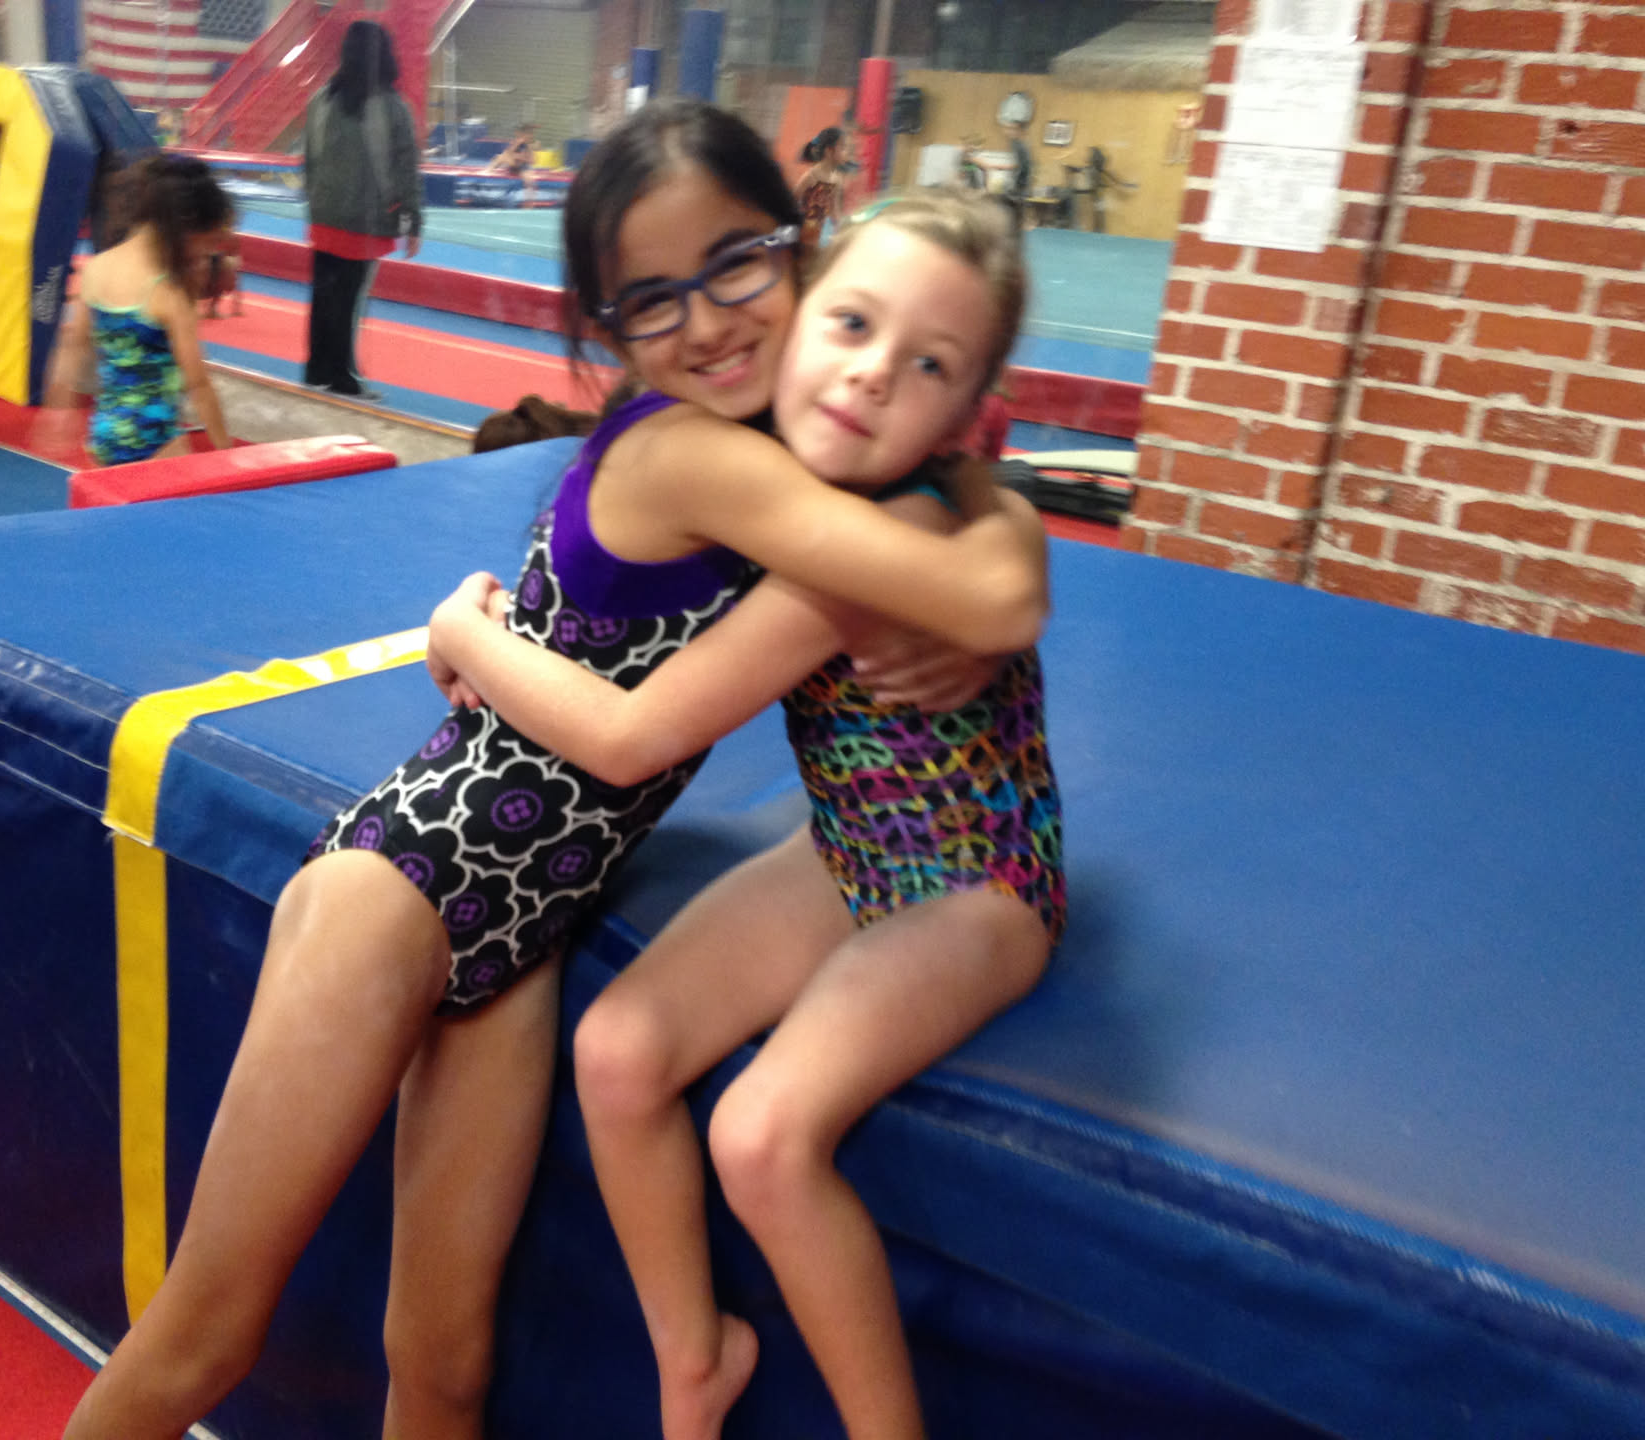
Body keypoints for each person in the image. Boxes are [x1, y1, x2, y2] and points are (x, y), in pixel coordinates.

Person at [59, 99, 1044, 1440]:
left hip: (531, 922)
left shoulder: (798, 436)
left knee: (444, 1364)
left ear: (797, 250)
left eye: (735, 265)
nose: (707, 322)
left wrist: (983, 511)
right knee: (209, 1332)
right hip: (410, 882)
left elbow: (949, 491)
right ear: (608, 326)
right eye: (651, 300)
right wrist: (462, 629)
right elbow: (973, 582)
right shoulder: (707, 455)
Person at [422, 190, 1059, 1440]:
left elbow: (631, 737)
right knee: (617, 1053)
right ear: (804, 313)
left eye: (928, 365)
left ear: (964, 409)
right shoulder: (797, 463)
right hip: (848, 850)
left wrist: (460, 631)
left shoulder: (875, 539)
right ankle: (694, 1361)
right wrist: (1008, 536)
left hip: (975, 885)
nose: (872, 375)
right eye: (854, 325)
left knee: (763, 1137)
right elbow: (998, 514)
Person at [42, 154, 234, 464]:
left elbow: (74, 346)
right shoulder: (169, 290)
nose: (202, 253)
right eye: (203, 241)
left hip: (105, 437)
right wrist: (227, 453)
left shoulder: (97, 268)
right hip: (156, 440)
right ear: (183, 229)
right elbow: (198, 384)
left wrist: (57, 407)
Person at [302, 20, 421, 400]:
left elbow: (309, 159)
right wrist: (412, 219)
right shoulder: (392, 107)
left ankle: (318, 367)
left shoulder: (320, 99)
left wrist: (315, 203)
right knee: (350, 300)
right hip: (364, 220)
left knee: (324, 296)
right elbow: (405, 169)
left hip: (325, 214)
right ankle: (343, 374)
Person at [792, 124, 843, 250]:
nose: (844, 152)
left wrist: (839, 229)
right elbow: (792, 199)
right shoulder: (811, 176)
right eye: (841, 147)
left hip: (819, 232)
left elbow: (834, 208)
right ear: (829, 151)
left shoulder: (836, 179)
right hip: (804, 231)